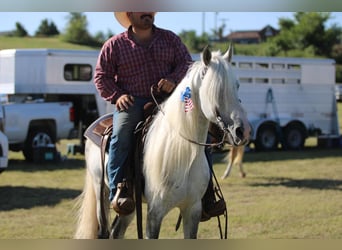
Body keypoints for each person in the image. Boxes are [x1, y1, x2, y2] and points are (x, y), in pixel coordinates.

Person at [94, 12, 226, 219]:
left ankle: (207, 194)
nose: (148, 12)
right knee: (121, 134)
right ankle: (119, 191)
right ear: (129, 14)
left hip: (174, 99)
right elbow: (102, 76)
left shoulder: (170, 39)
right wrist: (118, 96)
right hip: (133, 101)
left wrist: (173, 79)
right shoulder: (114, 45)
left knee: (202, 132)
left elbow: (186, 63)